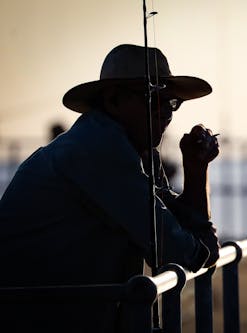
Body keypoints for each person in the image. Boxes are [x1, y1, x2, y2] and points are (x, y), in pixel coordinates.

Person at [0, 44, 220, 332]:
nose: (166, 111)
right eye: (153, 97)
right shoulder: (97, 153)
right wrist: (197, 242)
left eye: (171, 101)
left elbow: (193, 246)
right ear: (113, 100)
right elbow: (185, 253)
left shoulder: (131, 151)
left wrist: (195, 169)